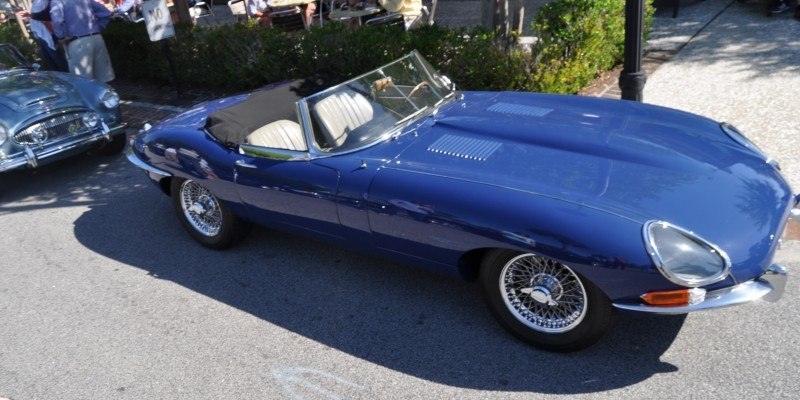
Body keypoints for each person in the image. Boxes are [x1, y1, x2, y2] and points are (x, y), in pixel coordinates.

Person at [49, 0, 115, 83]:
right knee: (103, 80)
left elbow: (57, 20)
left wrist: (61, 36)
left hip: (77, 42)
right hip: (96, 38)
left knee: (82, 82)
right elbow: (106, 13)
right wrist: (98, 28)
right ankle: (107, 96)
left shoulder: (58, 1)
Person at [20, 0, 69, 72]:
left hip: (49, 34)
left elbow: (47, 15)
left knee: (59, 61)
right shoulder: (35, 2)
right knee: (49, 61)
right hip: (41, 35)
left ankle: (69, 79)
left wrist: (30, 14)